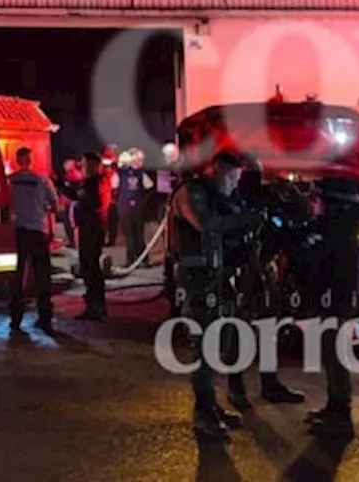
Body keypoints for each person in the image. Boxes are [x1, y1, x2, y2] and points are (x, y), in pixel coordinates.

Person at [170, 150, 261, 441]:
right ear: (219, 171)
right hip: (197, 280)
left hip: (216, 277)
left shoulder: (215, 196)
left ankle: (211, 407)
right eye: (233, 177)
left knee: (219, 343)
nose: (235, 184)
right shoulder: (190, 193)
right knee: (204, 347)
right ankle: (203, 414)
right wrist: (247, 219)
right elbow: (207, 226)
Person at [224, 155, 305, 410]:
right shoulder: (230, 199)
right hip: (241, 270)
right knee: (239, 328)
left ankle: (270, 383)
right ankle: (236, 387)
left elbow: (301, 216)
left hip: (266, 268)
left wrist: (292, 194)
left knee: (270, 327)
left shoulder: (268, 197)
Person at [301, 175, 359, 437]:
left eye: (319, 198)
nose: (315, 202)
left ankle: (340, 413)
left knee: (336, 353)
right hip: (336, 296)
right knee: (332, 354)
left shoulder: (338, 228)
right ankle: (334, 406)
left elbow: (322, 263)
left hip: (336, 297)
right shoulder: (346, 224)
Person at [8, 147, 58, 335]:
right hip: (38, 232)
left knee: (17, 276)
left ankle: (15, 319)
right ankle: (44, 318)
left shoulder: (10, 180)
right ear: (31, 160)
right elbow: (55, 206)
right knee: (42, 277)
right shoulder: (42, 179)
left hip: (17, 232)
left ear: (17, 160)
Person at [75, 152, 109, 320]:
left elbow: (84, 200)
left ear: (93, 166)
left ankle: (95, 306)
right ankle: (97, 305)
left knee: (90, 267)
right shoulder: (96, 182)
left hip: (91, 229)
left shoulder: (93, 183)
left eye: (85, 165)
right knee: (91, 266)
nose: (83, 168)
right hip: (92, 228)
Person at [117, 152, 148, 268]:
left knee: (134, 234)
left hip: (128, 208)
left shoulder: (121, 174)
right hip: (131, 208)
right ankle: (138, 259)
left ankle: (137, 259)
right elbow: (149, 187)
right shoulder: (138, 174)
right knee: (133, 234)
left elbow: (114, 187)